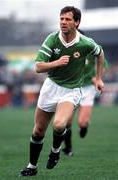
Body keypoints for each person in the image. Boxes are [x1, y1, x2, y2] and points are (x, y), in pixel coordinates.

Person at [20, 6, 104, 176]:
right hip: (51, 87)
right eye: (61, 19)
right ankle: (32, 166)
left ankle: (56, 150)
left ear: (77, 22)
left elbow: (100, 53)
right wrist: (56, 63)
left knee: (59, 124)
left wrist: (99, 77)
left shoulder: (85, 42)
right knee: (38, 131)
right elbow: (38, 67)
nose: (63, 22)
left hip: (71, 91)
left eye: (68, 19)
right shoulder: (52, 39)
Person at [62, 51, 108, 156]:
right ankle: (68, 149)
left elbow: (103, 62)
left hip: (87, 89)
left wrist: (97, 78)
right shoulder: (66, 51)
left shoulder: (90, 49)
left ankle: (84, 127)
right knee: (67, 121)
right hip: (72, 88)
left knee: (82, 122)